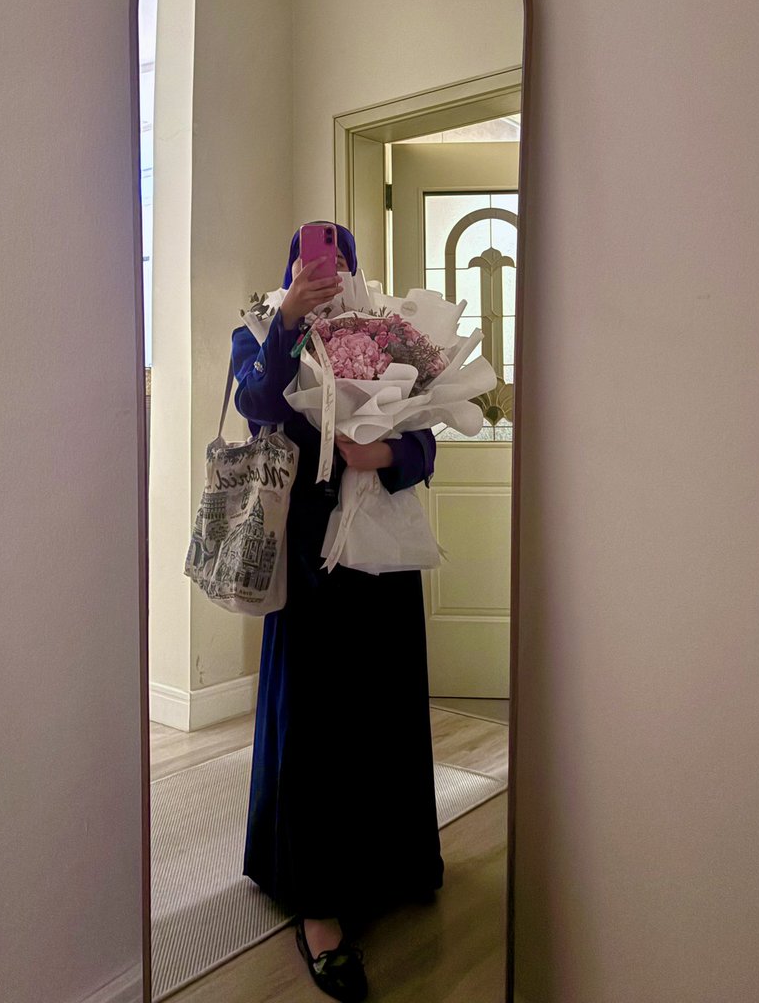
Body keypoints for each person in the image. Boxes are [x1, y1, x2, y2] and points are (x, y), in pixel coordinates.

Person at [231, 222, 444, 1003]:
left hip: (383, 560)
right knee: (314, 726)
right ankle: (317, 905)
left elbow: (427, 438)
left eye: (336, 262)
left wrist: (382, 453)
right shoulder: (259, 328)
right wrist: (288, 319)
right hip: (310, 562)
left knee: (385, 709)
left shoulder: (390, 331)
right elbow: (255, 405)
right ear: (290, 268)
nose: (323, 272)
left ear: (355, 270)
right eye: (308, 262)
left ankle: (392, 864)